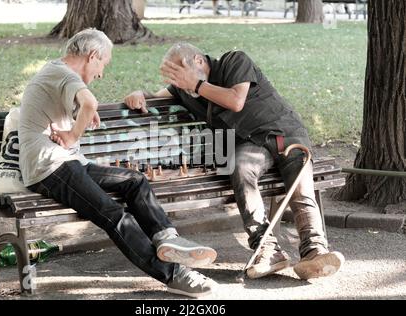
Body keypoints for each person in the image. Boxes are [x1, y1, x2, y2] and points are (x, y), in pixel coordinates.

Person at [18, 30, 218, 298]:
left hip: (70, 163)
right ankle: (174, 275)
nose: (101, 73)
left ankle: (167, 239)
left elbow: (81, 105)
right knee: (113, 215)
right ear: (93, 56)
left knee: (135, 181)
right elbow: (89, 101)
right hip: (49, 168)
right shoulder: (62, 72)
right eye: (104, 64)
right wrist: (73, 134)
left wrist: (81, 117)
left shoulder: (59, 73)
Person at [124, 43, 345, 281]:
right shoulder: (184, 88)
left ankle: (314, 252)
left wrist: (196, 84)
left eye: (181, 74)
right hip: (252, 147)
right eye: (174, 78)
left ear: (199, 61)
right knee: (240, 167)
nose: (179, 83)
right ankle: (268, 249)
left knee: (300, 189)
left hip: (285, 133)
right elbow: (155, 97)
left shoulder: (234, 61)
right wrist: (139, 94)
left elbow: (236, 100)